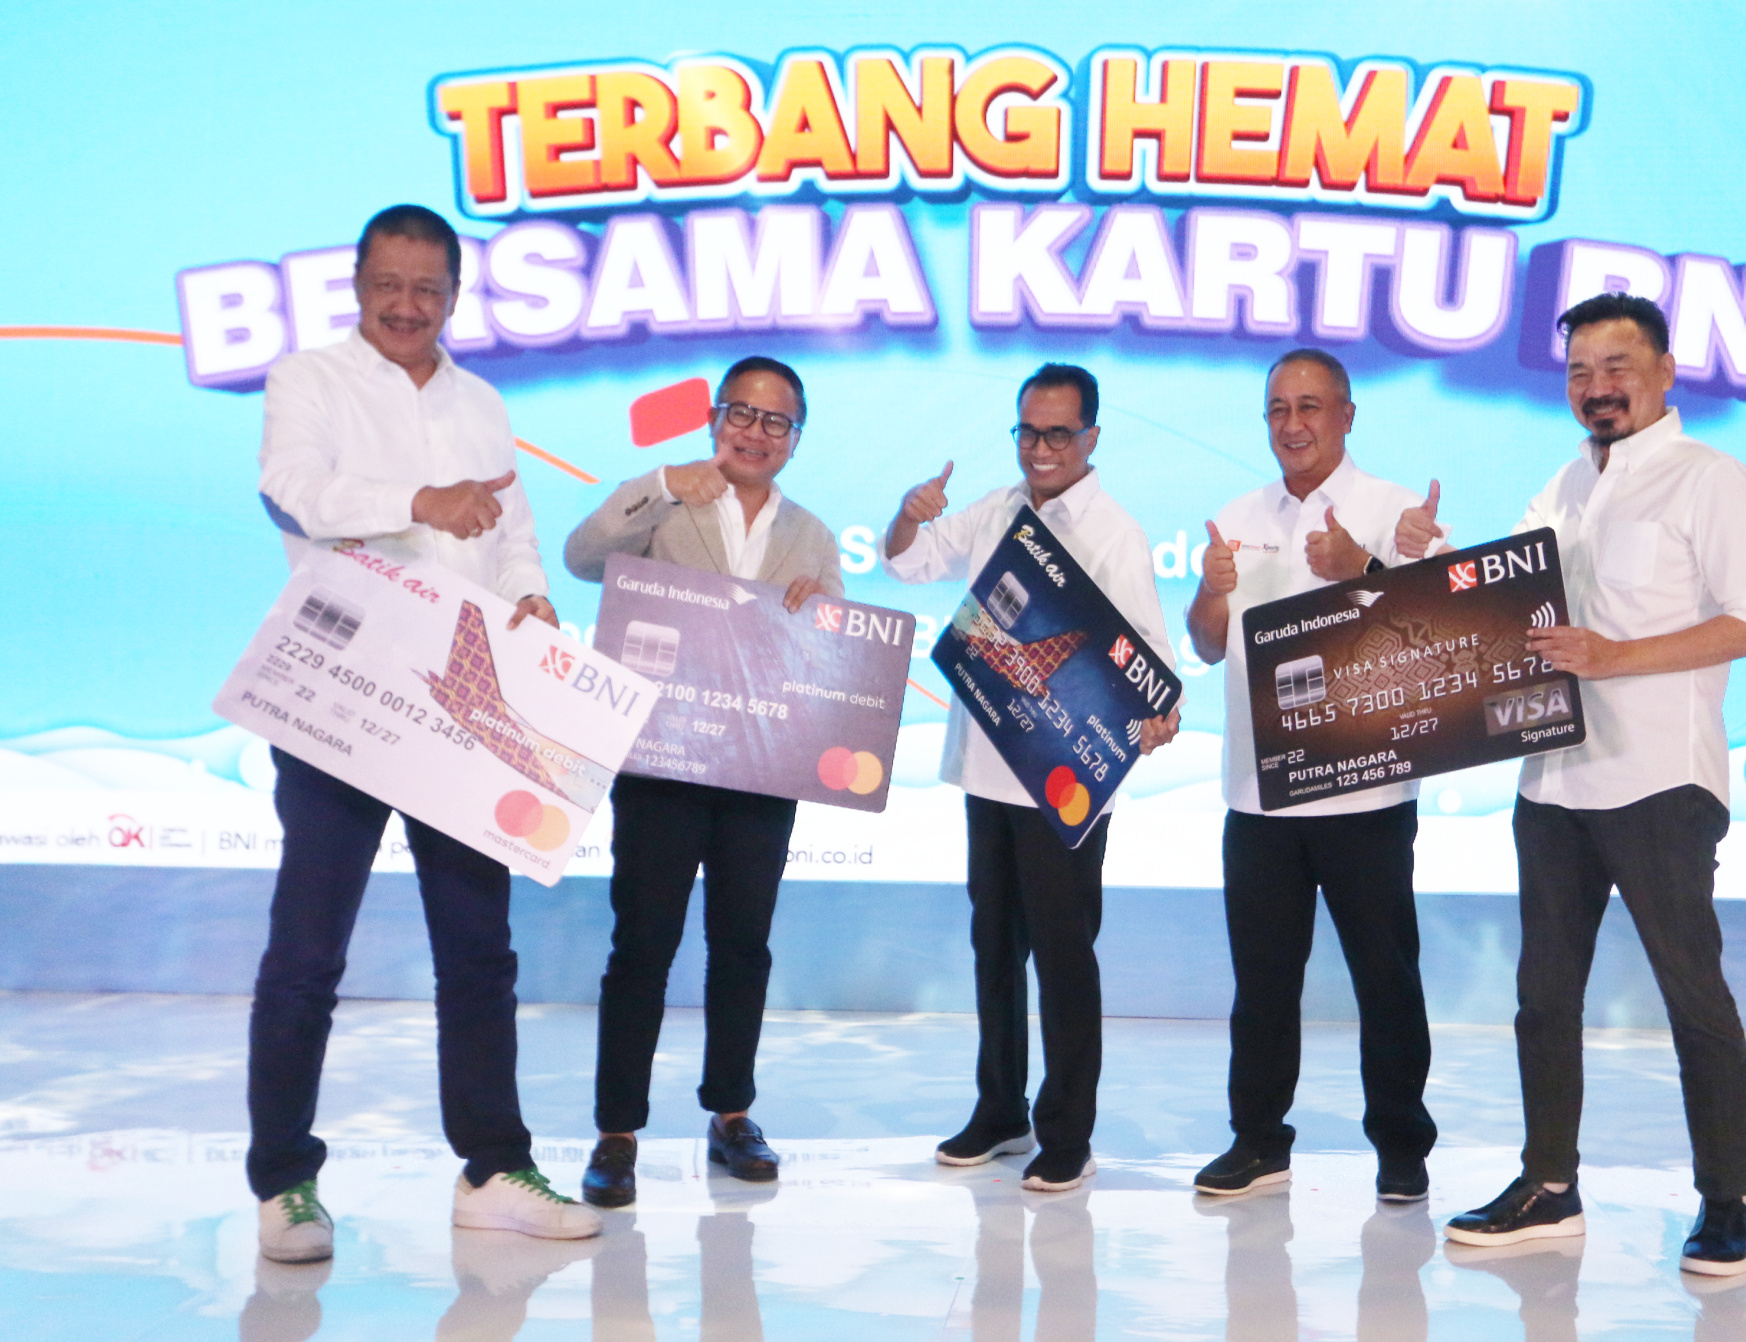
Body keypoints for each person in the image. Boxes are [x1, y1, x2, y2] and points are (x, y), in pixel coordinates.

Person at [1401, 292, 1746, 1275]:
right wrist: (1426, 557)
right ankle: (1548, 1184)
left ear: (1663, 372)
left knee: (1690, 991)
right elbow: (1505, 590)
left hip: (1660, 780)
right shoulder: (1567, 484)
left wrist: (1616, 657)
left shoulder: (1709, 479)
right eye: (1579, 371)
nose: (1596, 386)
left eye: (1616, 366)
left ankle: (1728, 1199)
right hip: (1553, 781)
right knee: (1542, 997)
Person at [249, 204, 597, 1263]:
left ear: (454, 294)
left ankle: (493, 1167)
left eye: (428, 289)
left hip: (463, 707)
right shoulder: (308, 380)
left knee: (478, 950)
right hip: (344, 692)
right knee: (308, 949)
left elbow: (513, 527)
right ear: (358, 284)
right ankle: (284, 1181)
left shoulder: (482, 402)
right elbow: (292, 493)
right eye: (388, 285)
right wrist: (419, 501)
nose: (407, 306)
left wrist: (530, 594)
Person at [882, 363, 1177, 1192]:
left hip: (1063, 784)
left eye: (1057, 434)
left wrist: (1157, 713)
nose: (1040, 449)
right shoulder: (996, 509)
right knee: (995, 948)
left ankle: (1068, 1131)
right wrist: (908, 515)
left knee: (1063, 956)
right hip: (988, 767)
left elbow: (1150, 660)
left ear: (1091, 437)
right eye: (1027, 432)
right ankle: (1000, 1110)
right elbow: (909, 563)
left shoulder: (1116, 533)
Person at [562, 356, 843, 1200]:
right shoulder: (669, 501)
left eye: (776, 421)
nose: (756, 432)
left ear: (795, 440)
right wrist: (656, 484)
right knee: (642, 946)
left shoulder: (812, 534)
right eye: (742, 414)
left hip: (761, 767)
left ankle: (731, 1113)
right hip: (664, 761)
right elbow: (581, 557)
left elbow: (834, 650)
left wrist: (823, 616)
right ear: (716, 418)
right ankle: (617, 1131)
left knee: (743, 946)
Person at [1184, 349, 1442, 1201]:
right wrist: (1211, 593)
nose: (1292, 424)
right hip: (1259, 796)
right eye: (1277, 409)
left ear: (1347, 415)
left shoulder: (1400, 512)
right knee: (1262, 983)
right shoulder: (1236, 514)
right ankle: (1258, 1141)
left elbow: (1444, 639)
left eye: (1310, 406)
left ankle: (1401, 1147)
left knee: (1385, 978)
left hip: (1367, 792)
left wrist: (1363, 569)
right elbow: (1206, 644)